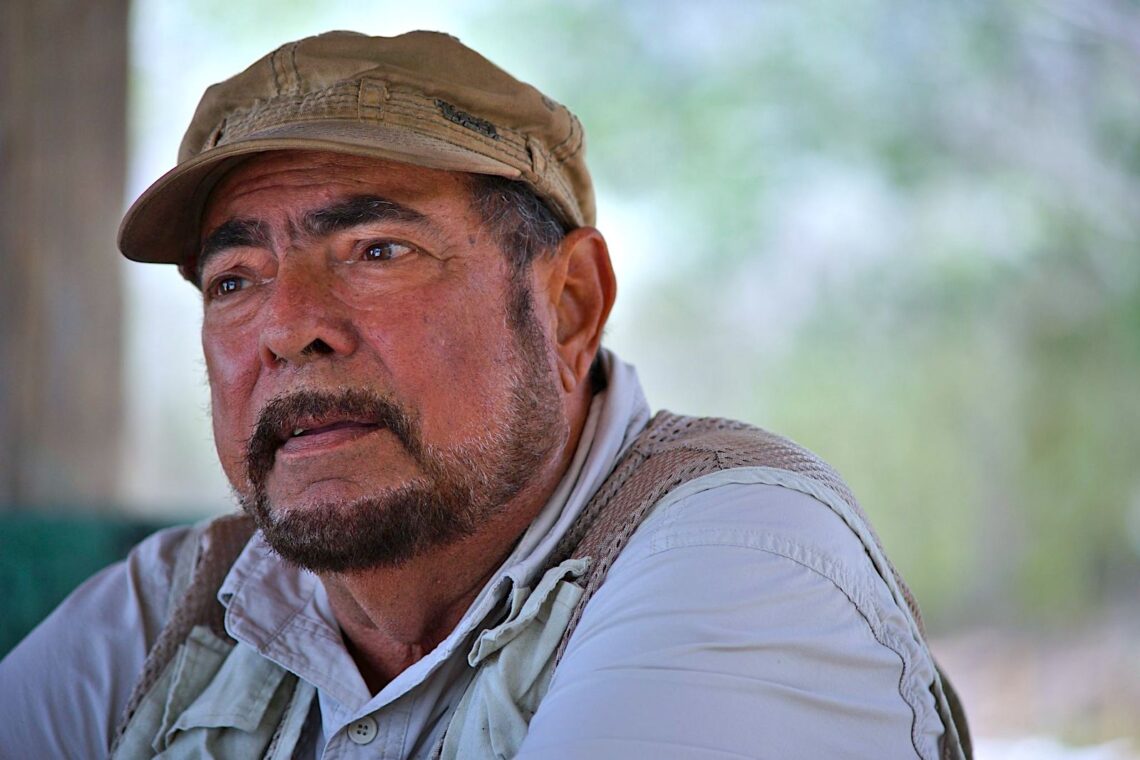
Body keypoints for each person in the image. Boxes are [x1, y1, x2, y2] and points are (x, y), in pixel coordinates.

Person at [0, 30, 969, 759]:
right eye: (236, 279)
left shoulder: (739, 557)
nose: (291, 326)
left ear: (570, 305)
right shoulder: (177, 613)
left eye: (378, 252)